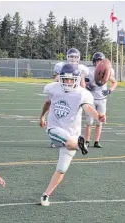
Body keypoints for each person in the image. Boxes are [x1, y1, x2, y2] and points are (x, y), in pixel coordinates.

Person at [39, 63, 106, 206]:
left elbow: (88, 108)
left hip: (72, 134)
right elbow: (48, 102)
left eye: (71, 79)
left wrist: (98, 115)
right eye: (65, 79)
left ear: (76, 79)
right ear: (60, 78)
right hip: (55, 129)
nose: (68, 82)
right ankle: (80, 144)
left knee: (62, 169)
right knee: (69, 141)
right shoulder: (53, 88)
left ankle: (46, 194)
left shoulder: (82, 93)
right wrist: (42, 117)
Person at [84, 52, 118, 148]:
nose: (99, 62)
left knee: (100, 121)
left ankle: (96, 141)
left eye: (100, 61)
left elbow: (115, 82)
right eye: (97, 60)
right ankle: (86, 141)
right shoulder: (89, 70)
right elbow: (84, 83)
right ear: (94, 61)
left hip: (102, 99)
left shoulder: (107, 71)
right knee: (89, 121)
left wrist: (109, 90)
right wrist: (87, 86)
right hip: (91, 99)